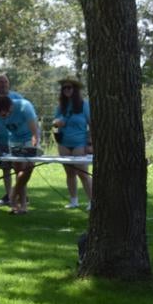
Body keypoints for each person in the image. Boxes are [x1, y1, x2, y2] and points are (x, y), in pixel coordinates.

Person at [0, 95, 40, 215]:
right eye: (1, 115)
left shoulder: (24, 107)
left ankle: (12, 194)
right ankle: (21, 205)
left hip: (29, 137)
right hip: (14, 140)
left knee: (28, 167)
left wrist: (33, 147)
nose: (4, 116)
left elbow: (35, 133)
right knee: (18, 171)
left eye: (6, 113)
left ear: (11, 107)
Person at [53, 78, 93, 210]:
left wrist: (90, 143)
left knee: (82, 173)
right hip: (63, 143)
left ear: (75, 90)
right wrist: (57, 126)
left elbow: (91, 124)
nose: (66, 90)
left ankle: (92, 201)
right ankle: (73, 201)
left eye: (69, 87)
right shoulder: (60, 106)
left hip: (79, 143)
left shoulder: (84, 105)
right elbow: (54, 125)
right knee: (69, 173)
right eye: (64, 88)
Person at [0, 74, 25, 205]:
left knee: (19, 169)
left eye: (5, 82)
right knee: (5, 169)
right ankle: (9, 196)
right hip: (0, 141)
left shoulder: (17, 98)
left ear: (8, 83)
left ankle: (20, 195)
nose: (3, 84)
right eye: (0, 83)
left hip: (16, 140)